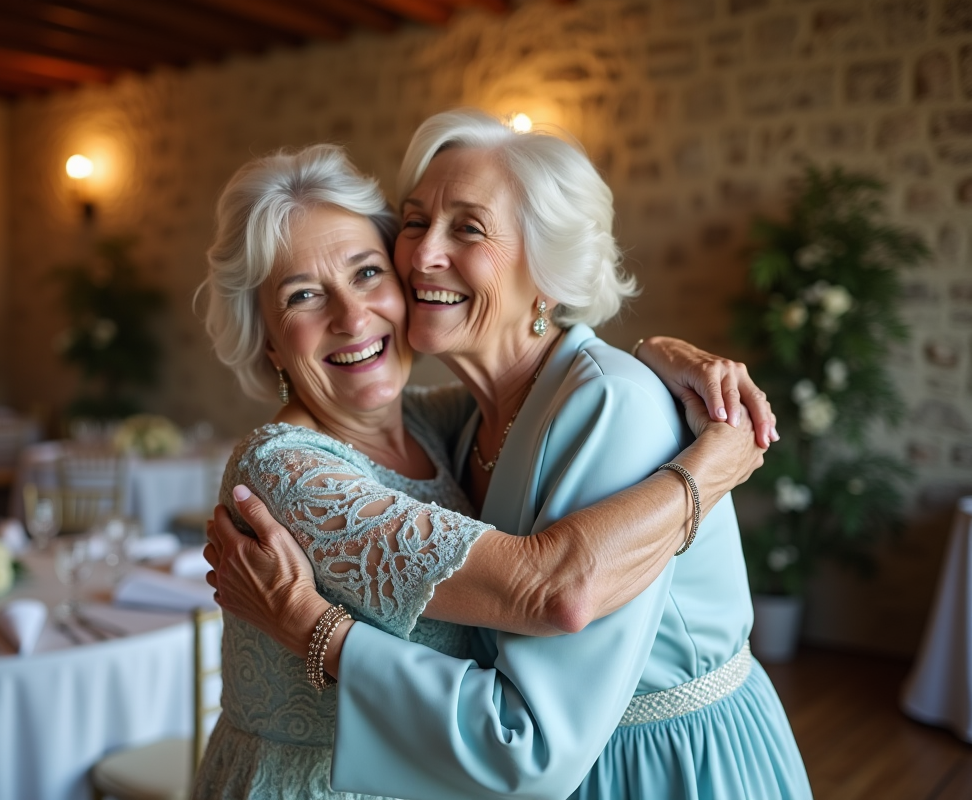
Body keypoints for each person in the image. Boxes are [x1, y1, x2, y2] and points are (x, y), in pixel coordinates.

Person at [204, 110, 811, 799]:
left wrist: (659, 368)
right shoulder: (448, 426)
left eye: (467, 227)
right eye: (414, 222)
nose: (423, 256)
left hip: (666, 769)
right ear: (268, 341)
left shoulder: (593, 406)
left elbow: (555, 613)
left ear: (546, 265)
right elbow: (550, 591)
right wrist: (707, 459)